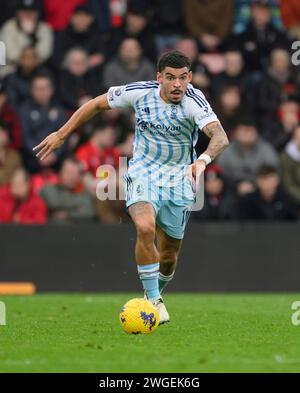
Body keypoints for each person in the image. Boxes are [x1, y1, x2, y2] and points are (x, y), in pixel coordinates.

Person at [33, 50, 229, 324]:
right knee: (146, 227)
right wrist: (62, 134)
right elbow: (96, 104)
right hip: (143, 172)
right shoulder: (139, 93)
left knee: (170, 254)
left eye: (183, 78)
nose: (177, 85)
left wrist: (203, 161)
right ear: (158, 77)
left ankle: (153, 296)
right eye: (170, 78)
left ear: (190, 78)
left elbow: (220, 136)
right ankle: (154, 302)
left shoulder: (194, 101)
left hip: (180, 179)